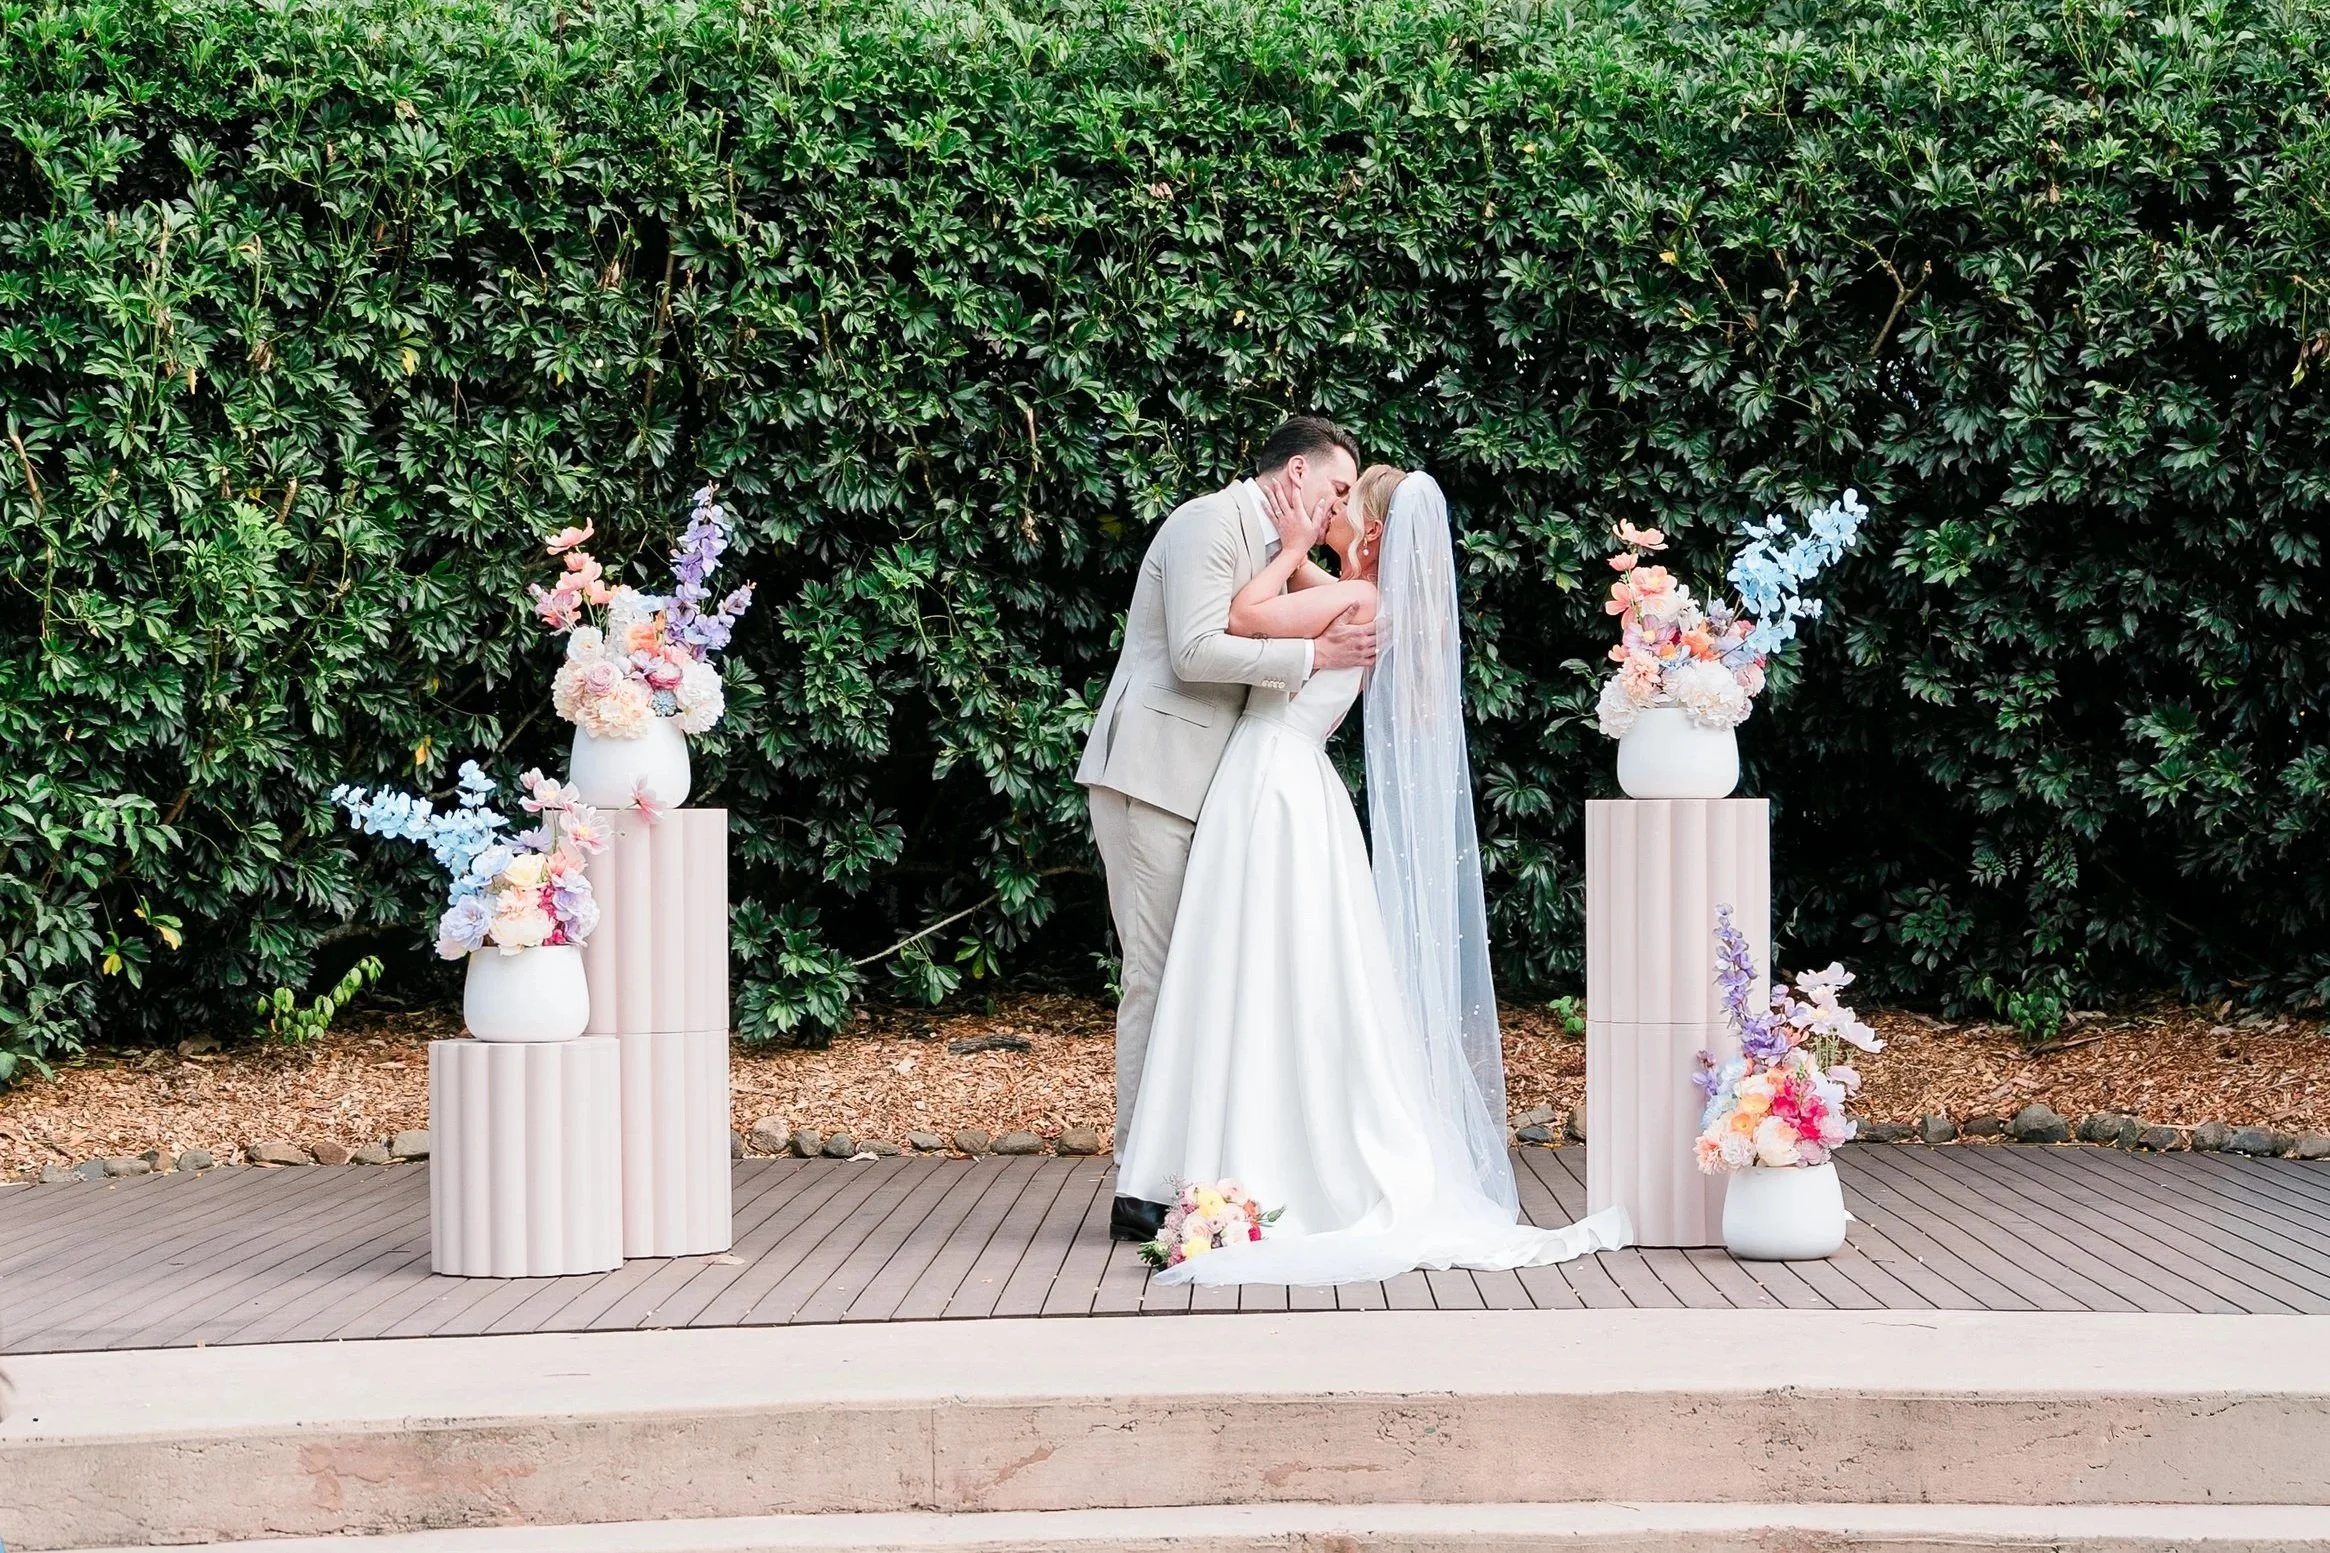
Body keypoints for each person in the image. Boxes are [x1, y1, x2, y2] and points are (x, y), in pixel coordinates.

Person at [1113, 464, 1632, 1284]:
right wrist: (1301, 550)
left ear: (1376, 531)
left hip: (1271, 785)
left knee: (1240, 967)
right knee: (1274, 972)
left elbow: (1247, 614)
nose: (1330, 508)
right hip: (1289, 785)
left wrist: (1285, 548)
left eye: (1347, 503)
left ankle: (1225, 1148)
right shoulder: (1361, 593)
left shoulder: (1355, 603)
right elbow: (1298, 600)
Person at [1076, 416, 1379, 1244]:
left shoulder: (1275, 540)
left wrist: (1312, 565)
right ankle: (1138, 1185)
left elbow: (1316, 600)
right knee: (1157, 972)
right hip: (1153, 777)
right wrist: (1314, 658)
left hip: (1209, 790)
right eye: (1335, 489)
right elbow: (1194, 651)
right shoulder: (1209, 521)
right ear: (1294, 472)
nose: (1337, 505)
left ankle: (1176, 1166)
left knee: (1190, 977)